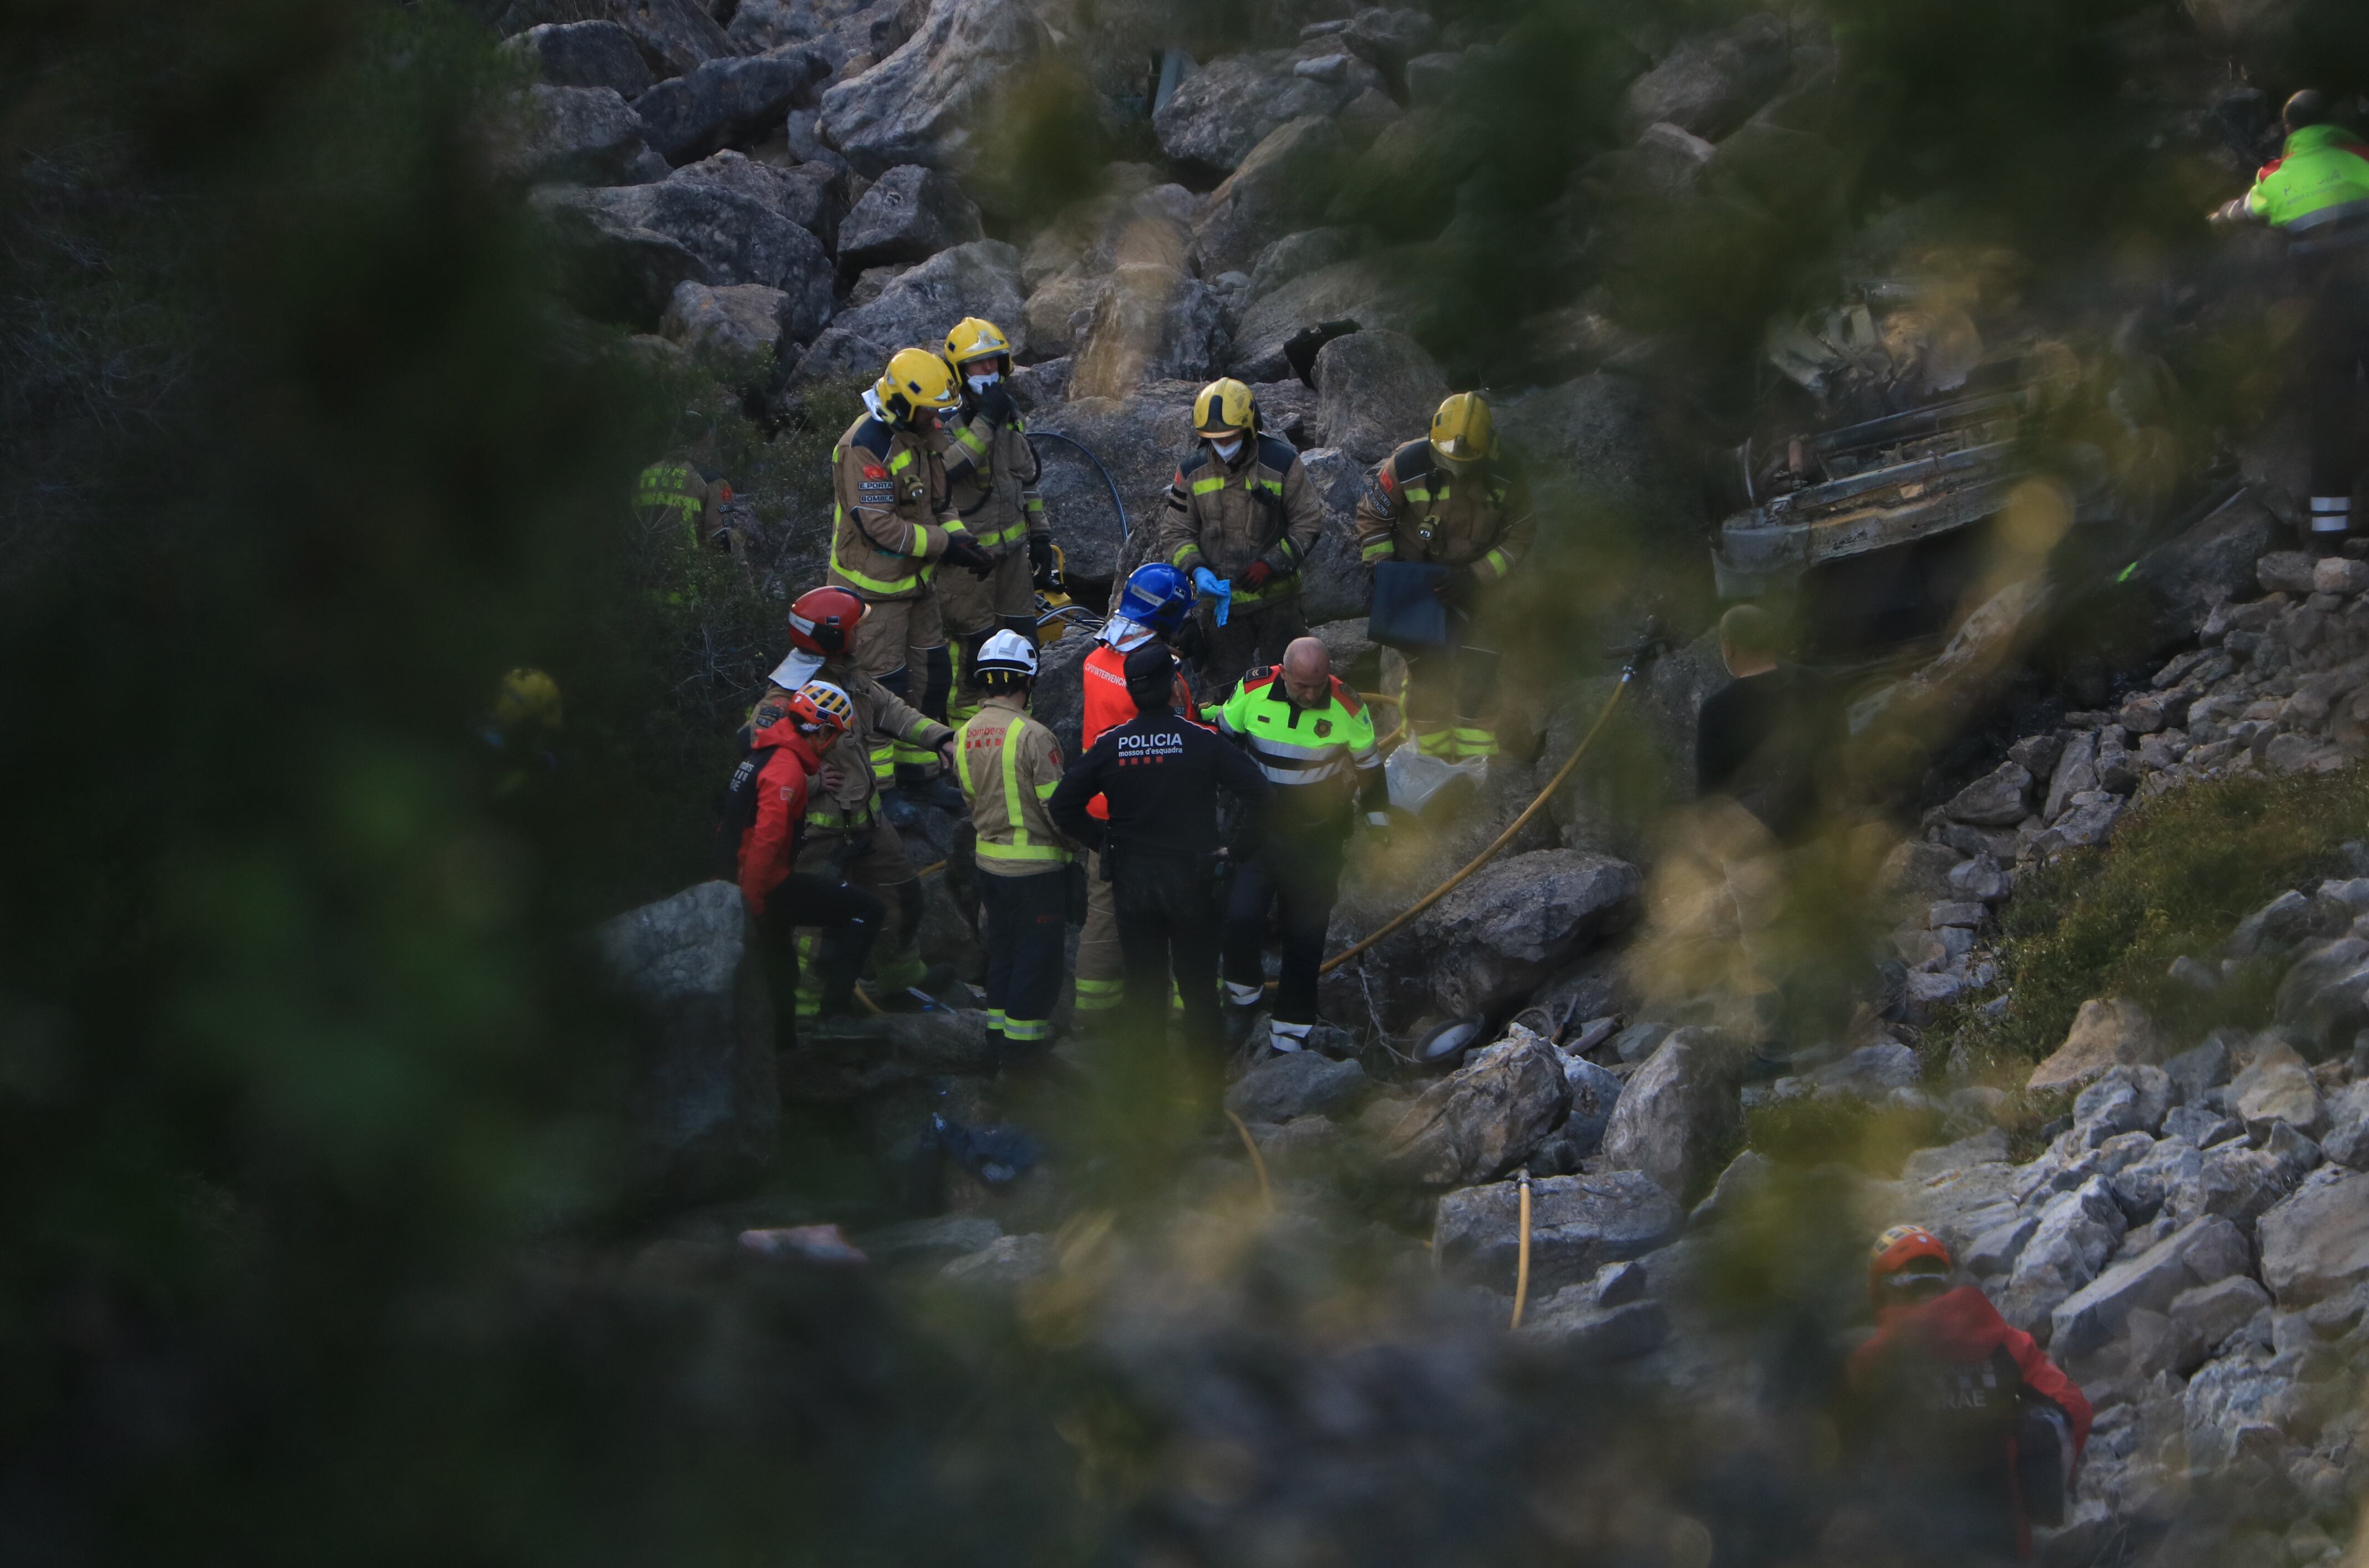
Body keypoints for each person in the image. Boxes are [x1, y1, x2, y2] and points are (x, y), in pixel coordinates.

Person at [1049, 642, 1270, 1062]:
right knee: (1200, 992)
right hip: (1194, 881)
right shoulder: (1202, 741)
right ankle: (1206, 1103)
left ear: (1132, 694)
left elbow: (1063, 805)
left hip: (1134, 886)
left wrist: (1103, 843)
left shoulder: (1112, 745)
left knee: (1144, 990)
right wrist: (1238, 850)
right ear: (1174, 690)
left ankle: (1149, 1100)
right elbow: (1262, 796)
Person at [750, 586, 959, 1022]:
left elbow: (891, 711)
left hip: (868, 822)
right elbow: (761, 760)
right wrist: (807, 782)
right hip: (818, 836)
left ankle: (900, 980)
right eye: (855, 629)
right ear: (833, 639)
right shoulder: (783, 698)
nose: (862, 635)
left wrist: (942, 738)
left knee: (902, 894)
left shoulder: (851, 677)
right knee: (814, 931)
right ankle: (808, 1017)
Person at [1839, 1226, 2092, 1565]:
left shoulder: (1870, 1362)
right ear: (1944, 1281)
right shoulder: (2006, 1342)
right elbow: (2073, 1407)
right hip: (2006, 1546)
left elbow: (1841, 1459)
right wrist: (2046, 1491)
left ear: (1882, 1290)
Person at [830, 347, 999, 802]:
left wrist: (966, 543)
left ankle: (923, 774)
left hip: (918, 584)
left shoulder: (922, 433)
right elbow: (878, 525)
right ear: (904, 405)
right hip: (873, 593)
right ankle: (880, 792)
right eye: (931, 411)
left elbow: (941, 503)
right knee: (884, 689)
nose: (938, 420)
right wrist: (947, 546)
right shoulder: (865, 445)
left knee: (933, 675)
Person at [2212, 90, 2369, 553]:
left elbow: (2239, 213)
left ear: (2289, 132)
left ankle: (2327, 541)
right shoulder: (2362, 158)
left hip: (2324, 311)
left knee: (2330, 414)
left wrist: (2212, 216)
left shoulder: (2276, 176)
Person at [1216, 637, 1386, 1052]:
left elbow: (1369, 769)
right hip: (1260, 834)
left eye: (1318, 685)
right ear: (1284, 672)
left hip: (1317, 840)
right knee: (1239, 918)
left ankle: (1290, 1032)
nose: (1311, 694)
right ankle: (1242, 1001)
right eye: (1302, 686)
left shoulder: (1347, 706)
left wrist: (1381, 823)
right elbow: (1223, 740)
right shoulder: (1254, 691)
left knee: (1306, 936)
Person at [1353, 390, 1533, 763]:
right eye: (1447, 460)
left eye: (1465, 463)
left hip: (1478, 587)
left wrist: (1476, 577)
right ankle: (1429, 762)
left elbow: (1522, 533)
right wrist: (1389, 576)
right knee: (1428, 680)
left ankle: (1475, 771)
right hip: (1418, 586)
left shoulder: (1508, 475)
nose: (1455, 468)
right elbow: (1372, 518)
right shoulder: (1407, 463)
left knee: (1479, 679)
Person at [1071, 563, 1202, 1023]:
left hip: (1102, 810)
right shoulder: (1164, 682)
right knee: (1177, 913)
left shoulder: (1094, 661)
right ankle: (1185, 1014)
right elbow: (1185, 731)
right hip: (1155, 820)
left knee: (1103, 914)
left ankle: (1092, 1015)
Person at [719, 679, 883, 1041]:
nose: (836, 744)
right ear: (822, 731)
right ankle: (833, 1017)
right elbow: (766, 840)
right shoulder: (786, 770)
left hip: (741, 883)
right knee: (867, 912)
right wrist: (755, 907)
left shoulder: (765, 751)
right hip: (763, 886)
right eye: (835, 735)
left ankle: (786, 1049)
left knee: (783, 975)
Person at [952, 630, 1081, 1070]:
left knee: (1003, 957)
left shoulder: (965, 734)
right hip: (1037, 873)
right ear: (1029, 681)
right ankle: (1023, 1060)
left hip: (990, 867)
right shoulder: (1034, 736)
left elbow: (972, 801)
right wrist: (1078, 849)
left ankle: (996, 1046)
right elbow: (1058, 810)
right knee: (1037, 966)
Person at [1155, 377, 1326, 693]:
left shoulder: (1282, 463)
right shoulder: (1192, 471)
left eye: (1230, 437)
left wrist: (1272, 564)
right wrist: (1197, 569)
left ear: (1249, 428)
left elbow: (1309, 522)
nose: (1223, 445)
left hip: (1279, 605)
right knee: (1223, 691)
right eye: (1214, 439)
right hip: (1223, 611)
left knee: (1286, 689)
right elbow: (1176, 531)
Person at [934, 318, 1056, 725]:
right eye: (977, 366)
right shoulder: (944, 420)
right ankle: (965, 740)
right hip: (969, 562)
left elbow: (1026, 481)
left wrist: (1040, 537)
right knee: (972, 650)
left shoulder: (1007, 413)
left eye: (993, 364)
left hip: (1014, 560)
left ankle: (1023, 731)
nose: (987, 373)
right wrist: (985, 421)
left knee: (1024, 642)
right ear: (958, 372)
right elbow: (949, 470)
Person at [1695, 603, 1831, 841]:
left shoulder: (1717, 710)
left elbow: (1709, 802)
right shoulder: (1817, 685)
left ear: (1728, 648)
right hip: (1820, 841)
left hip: (1755, 858)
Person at [637, 406, 734, 553]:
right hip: (687, 570)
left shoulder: (644, 475)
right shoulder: (712, 481)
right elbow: (722, 537)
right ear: (703, 439)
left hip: (641, 570)